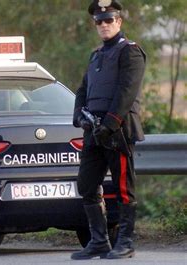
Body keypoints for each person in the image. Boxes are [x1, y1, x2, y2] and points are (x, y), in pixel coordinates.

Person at [71, 0, 146, 260]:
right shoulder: (96, 54)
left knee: (123, 187)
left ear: (119, 21)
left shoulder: (130, 52)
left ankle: (125, 243)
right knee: (87, 185)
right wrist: (78, 115)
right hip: (93, 130)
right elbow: (83, 89)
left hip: (118, 131)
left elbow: (127, 92)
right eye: (99, 21)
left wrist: (111, 124)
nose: (103, 24)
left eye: (109, 19)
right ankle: (99, 241)